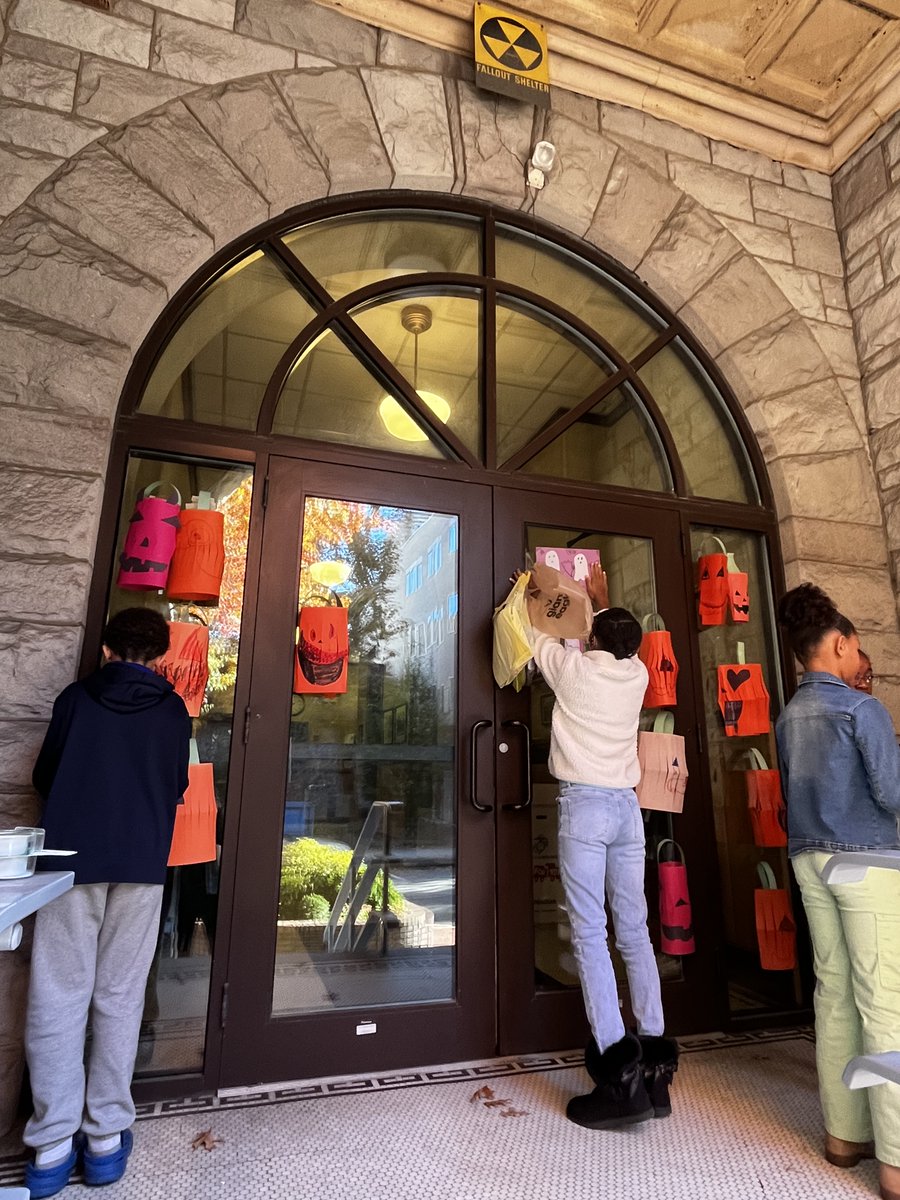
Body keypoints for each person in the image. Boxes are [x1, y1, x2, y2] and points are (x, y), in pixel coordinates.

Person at [24, 608, 191, 1198]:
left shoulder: (75, 699)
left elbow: (45, 775)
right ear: (161, 655)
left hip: (68, 862)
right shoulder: (173, 711)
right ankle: (103, 1139)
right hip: (141, 864)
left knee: (58, 993)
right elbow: (176, 785)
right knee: (120, 996)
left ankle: (48, 1146)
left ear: (105, 649)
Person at [524, 561, 677, 1129]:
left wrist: (545, 592)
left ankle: (619, 1076)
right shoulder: (635, 676)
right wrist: (597, 602)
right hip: (627, 812)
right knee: (634, 932)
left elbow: (540, 630)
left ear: (593, 640)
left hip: (585, 807)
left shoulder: (575, 671)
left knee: (590, 933)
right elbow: (613, 643)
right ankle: (656, 1068)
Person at [776, 583, 900, 1200]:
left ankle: (843, 1136)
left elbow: (788, 798)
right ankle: (898, 1161)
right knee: (884, 998)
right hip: (868, 862)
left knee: (835, 994)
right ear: (841, 643)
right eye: (856, 650)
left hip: (808, 860)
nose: (859, 661)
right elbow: (892, 796)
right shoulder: (861, 709)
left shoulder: (788, 715)